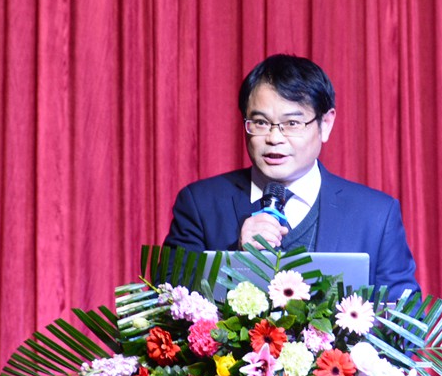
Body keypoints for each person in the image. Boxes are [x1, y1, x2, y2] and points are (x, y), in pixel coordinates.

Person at [163, 54, 420, 299]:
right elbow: (169, 305)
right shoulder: (200, 205)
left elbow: (402, 319)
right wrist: (238, 259)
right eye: (260, 122)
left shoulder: (375, 216)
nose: (274, 138)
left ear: (325, 124)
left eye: (292, 124)